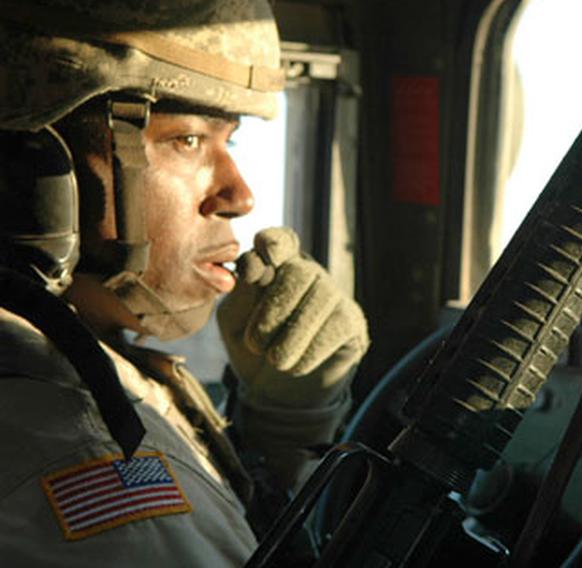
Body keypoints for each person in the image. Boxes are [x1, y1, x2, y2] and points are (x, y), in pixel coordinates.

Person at [0, 0, 369, 564]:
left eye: (231, 142)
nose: (240, 196)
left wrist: (278, 430)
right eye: (188, 140)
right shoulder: (84, 454)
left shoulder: (82, 376)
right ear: (31, 168)